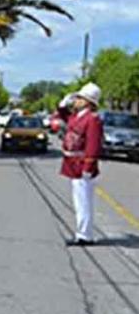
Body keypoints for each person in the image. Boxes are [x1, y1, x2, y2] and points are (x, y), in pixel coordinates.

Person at [58, 83, 104, 246]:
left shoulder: (93, 119)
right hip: (73, 163)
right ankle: (84, 233)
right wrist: (63, 105)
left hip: (82, 165)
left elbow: (93, 145)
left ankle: (84, 235)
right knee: (79, 201)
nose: (76, 100)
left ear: (87, 101)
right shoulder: (77, 116)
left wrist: (88, 167)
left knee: (83, 202)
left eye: (79, 98)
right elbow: (65, 117)